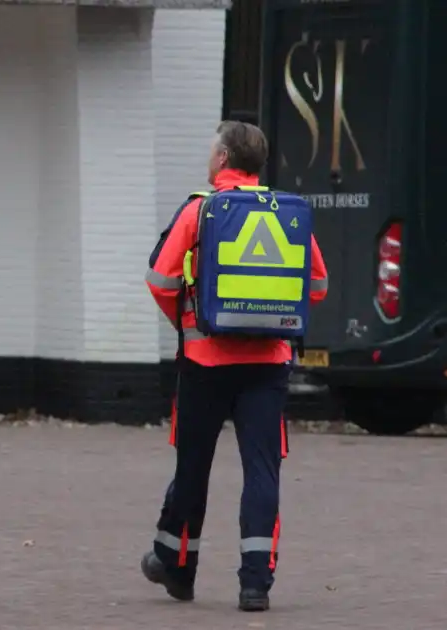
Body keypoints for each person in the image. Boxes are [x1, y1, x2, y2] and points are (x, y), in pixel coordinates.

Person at [141, 121, 329, 612]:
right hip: (268, 365)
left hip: (204, 361)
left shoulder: (200, 210)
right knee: (262, 472)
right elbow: (317, 286)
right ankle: (255, 585)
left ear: (223, 159)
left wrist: (188, 323)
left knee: (193, 467)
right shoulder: (287, 213)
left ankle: (179, 570)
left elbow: (160, 277)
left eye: (212, 150)